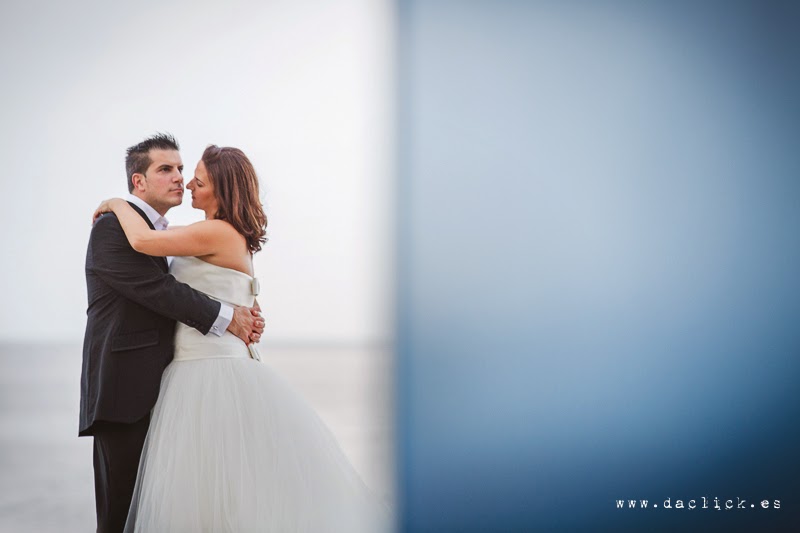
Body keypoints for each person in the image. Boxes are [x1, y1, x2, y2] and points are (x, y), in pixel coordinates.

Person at [93, 144, 390, 532]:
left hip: (206, 371)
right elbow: (241, 294)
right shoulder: (226, 235)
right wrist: (243, 314)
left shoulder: (214, 231)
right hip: (203, 364)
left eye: (197, 180)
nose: (189, 185)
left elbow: (144, 243)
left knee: (206, 488)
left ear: (220, 188)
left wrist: (116, 203)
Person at [80, 133, 265, 533]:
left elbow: (171, 270)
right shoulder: (115, 228)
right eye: (167, 169)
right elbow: (158, 290)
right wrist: (230, 314)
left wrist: (239, 313)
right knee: (121, 518)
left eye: (185, 171)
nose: (182, 179)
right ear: (138, 182)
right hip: (126, 392)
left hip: (182, 388)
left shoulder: (186, 233)